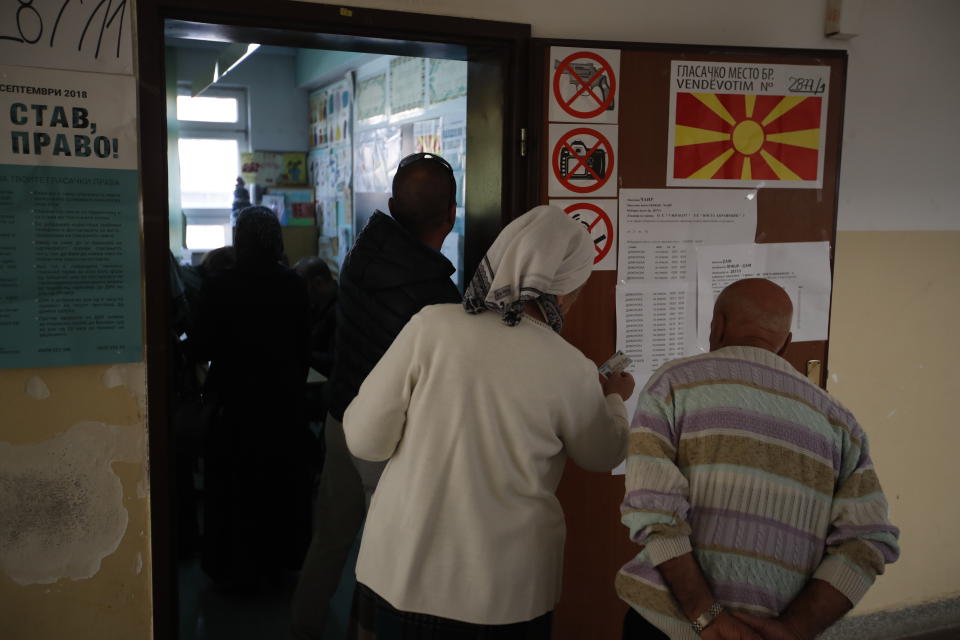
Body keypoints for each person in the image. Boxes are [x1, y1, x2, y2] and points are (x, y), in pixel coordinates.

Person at [343, 204, 635, 638]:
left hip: (398, 574)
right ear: (564, 290)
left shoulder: (432, 326)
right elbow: (603, 452)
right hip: (504, 594)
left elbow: (365, 440)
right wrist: (612, 400)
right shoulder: (570, 367)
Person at [616, 278, 900, 640]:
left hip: (667, 624)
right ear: (786, 344)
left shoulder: (673, 385)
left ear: (716, 325)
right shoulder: (839, 422)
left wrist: (709, 617)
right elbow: (868, 539)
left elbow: (654, 512)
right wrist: (797, 628)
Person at [291, 153, 462, 638]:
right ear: (452, 215)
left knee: (331, 539)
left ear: (390, 204)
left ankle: (300, 627)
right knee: (389, 557)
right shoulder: (438, 301)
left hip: (343, 420)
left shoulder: (361, 254)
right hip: (391, 445)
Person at [193, 205, 317, 590]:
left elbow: (200, 346)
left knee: (234, 492)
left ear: (239, 238)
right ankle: (276, 563)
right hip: (282, 406)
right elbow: (303, 348)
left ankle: (234, 568)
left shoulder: (218, 285)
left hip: (234, 407)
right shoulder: (294, 284)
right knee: (277, 491)